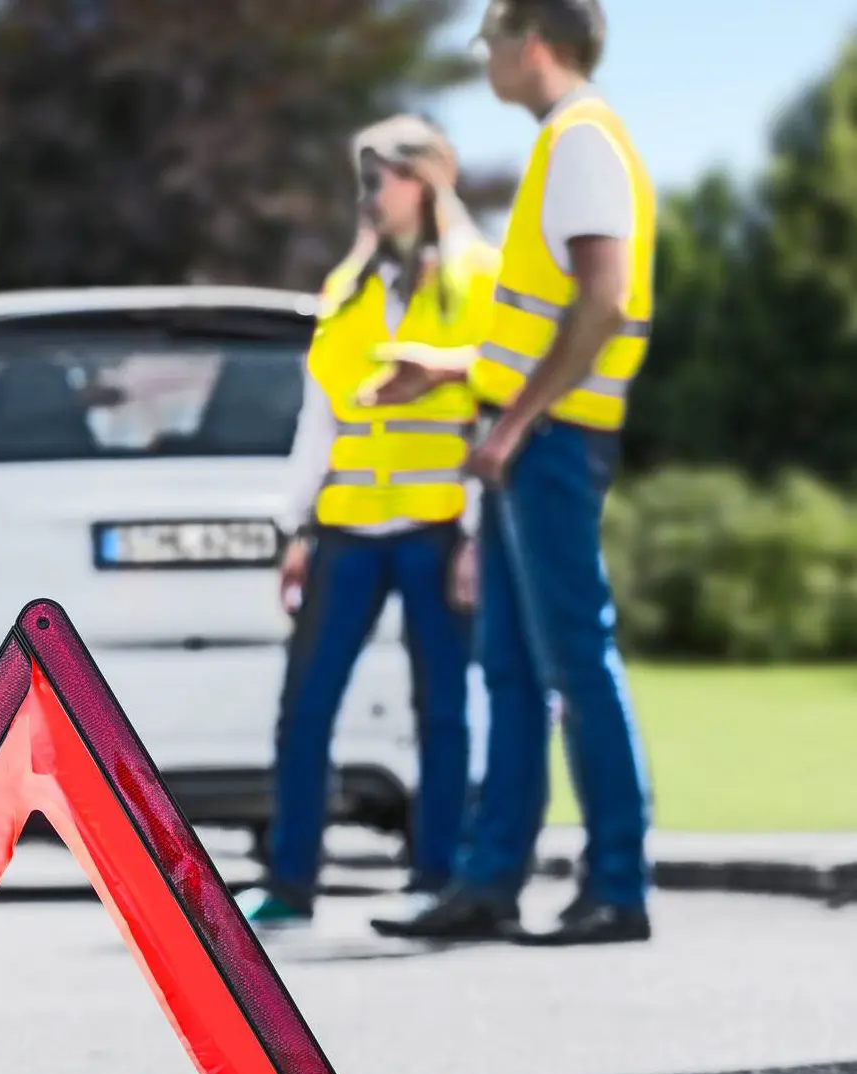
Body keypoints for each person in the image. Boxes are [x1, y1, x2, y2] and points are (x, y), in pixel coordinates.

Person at [370, 0, 657, 946]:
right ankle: (489, 882)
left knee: (574, 660)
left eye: (490, 41)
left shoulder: (579, 139)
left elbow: (603, 301)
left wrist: (513, 427)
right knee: (510, 670)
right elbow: (537, 325)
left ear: (531, 42)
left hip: (549, 444)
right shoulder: (562, 142)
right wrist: (452, 371)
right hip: (528, 437)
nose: (484, 59)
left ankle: (616, 886)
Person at [233, 114, 497, 927]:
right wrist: (295, 530)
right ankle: (291, 882)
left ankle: (437, 874)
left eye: (377, 177)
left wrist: (478, 536)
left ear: (422, 181)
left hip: (435, 525)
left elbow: (491, 410)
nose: (366, 196)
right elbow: (319, 421)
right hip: (345, 529)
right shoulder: (344, 290)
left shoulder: (479, 279)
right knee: (304, 706)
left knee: (442, 709)